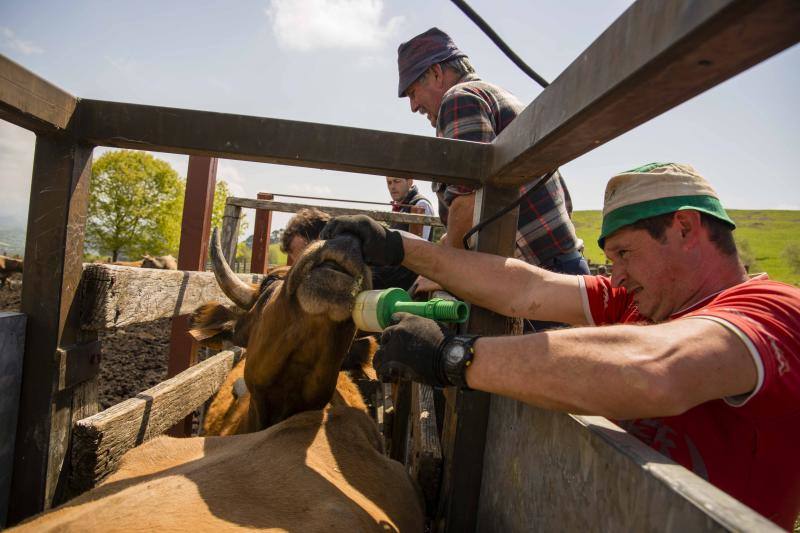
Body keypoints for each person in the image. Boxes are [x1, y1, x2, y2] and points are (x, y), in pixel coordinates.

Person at [321, 163, 800, 529]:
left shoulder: (774, 311)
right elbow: (526, 288)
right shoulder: (639, 304)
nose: (616, 275)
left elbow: (655, 369)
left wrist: (455, 357)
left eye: (625, 253)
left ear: (686, 228)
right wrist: (399, 246)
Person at [396, 27, 588, 301]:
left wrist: (442, 270)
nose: (413, 106)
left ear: (437, 73)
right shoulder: (495, 95)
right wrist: (438, 253)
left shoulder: (458, 99)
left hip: (538, 279)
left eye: (413, 92)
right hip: (561, 267)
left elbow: (468, 201)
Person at [386, 176, 435, 241]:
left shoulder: (420, 204)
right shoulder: (400, 206)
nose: (392, 187)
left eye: (397, 181)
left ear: (409, 182)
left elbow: (419, 244)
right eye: (389, 182)